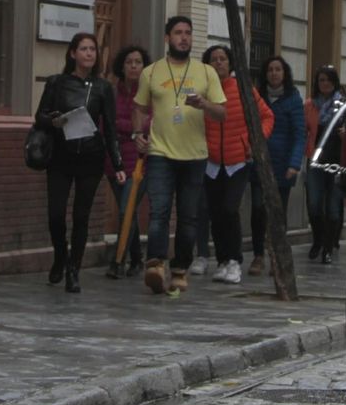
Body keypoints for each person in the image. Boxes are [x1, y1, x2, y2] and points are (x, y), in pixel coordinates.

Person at [133, 16, 227, 294]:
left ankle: (179, 269)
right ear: (167, 38)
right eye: (178, 33)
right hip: (160, 152)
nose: (183, 38)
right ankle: (155, 264)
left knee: (188, 217)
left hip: (195, 156)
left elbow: (222, 113)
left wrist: (204, 104)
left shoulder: (206, 72)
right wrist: (137, 134)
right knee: (159, 211)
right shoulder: (151, 72)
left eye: (188, 33)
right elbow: (139, 108)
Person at [34, 32, 125, 294]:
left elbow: (109, 128)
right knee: (56, 215)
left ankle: (74, 269)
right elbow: (39, 117)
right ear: (72, 53)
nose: (89, 53)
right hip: (61, 155)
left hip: (90, 157)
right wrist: (53, 120)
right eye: (83, 49)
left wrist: (117, 164)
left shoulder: (103, 88)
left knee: (81, 216)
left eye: (92, 49)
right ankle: (60, 257)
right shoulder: (56, 83)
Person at [202, 45, 273, 285]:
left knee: (230, 209)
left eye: (223, 59)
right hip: (210, 162)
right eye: (214, 59)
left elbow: (267, 116)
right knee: (216, 213)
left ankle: (235, 260)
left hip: (238, 161)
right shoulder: (203, 90)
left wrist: (255, 141)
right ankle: (222, 260)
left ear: (230, 64)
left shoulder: (243, 89)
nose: (219, 63)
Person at [249, 55, 307, 276]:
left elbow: (299, 134)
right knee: (257, 210)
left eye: (278, 70)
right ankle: (258, 255)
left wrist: (294, 164)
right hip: (259, 163)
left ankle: (277, 255)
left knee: (277, 213)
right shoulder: (257, 97)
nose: (274, 73)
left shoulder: (293, 99)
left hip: (283, 165)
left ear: (285, 74)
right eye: (270, 70)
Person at [104, 44, 151, 280]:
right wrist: (131, 128)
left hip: (140, 162)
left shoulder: (150, 94)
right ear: (122, 66)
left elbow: (150, 124)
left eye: (138, 62)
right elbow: (106, 124)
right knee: (128, 211)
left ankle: (117, 260)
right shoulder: (112, 92)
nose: (133, 66)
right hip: (114, 160)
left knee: (126, 208)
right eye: (129, 62)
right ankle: (136, 258)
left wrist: (130, 130)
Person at [304, 65, 346, 263]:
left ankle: (328, 248)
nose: (325, 84)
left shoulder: (345, 105)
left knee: (332, 207)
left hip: (338, 161)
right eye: (321, 80)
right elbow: (302, 130)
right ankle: (318, 240)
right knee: (314, 205)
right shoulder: (310, 105)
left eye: (329, 80)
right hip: (316, 161)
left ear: (335, 82)